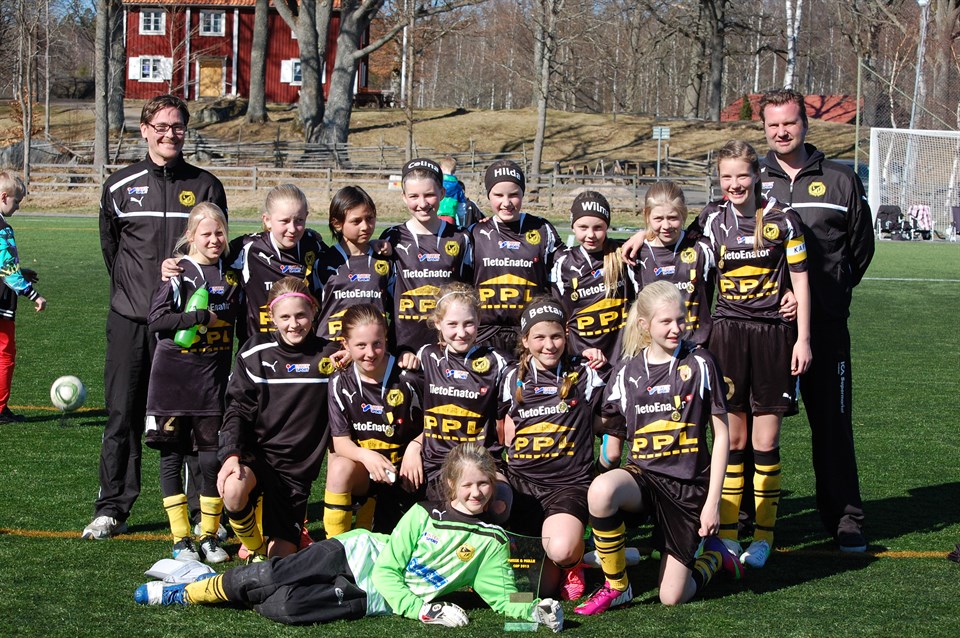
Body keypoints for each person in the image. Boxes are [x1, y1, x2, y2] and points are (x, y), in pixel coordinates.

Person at [133, 442, 565, 633]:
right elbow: (390, 568)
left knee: (287, 606)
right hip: (355, 554)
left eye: (484, 484)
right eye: (468, 485)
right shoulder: (423, 513)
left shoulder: (492, 540)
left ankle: (232, 586)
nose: (477, 493)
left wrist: (537, 611)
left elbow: (502, 597)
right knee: (269, 576)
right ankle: (189, 590)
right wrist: (422, 610)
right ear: (450, 485)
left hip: (372, 598)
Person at [87, 94, 227, 540]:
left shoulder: (206, 185)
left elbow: (217, 249)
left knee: (193, 418)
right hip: (131, 320)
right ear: (145, 130)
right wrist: (138, 295)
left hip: (188, 328)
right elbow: (112, 250)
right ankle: (113, 508)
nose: (170, 134)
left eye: (178, 126)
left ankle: (200, 515)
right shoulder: (119, 185)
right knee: (122, 414)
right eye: (161, 126)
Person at [758, 88, 875, 552]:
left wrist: (828, 294)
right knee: (753, 426)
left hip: (825, 328)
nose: (781, 131)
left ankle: (845, 518)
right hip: (766, 329)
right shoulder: (752, 179)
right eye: (773, 125)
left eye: (789, 122)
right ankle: (745, 517)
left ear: (805, 124)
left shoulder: (841, 179)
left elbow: (860, 249)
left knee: (832, 424)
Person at [576, 282, 737, 615]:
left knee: (672, 596)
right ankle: (617, 586)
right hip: (644, 479)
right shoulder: (626, 372)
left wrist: (712, 504)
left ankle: (714, 557)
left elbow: (722, 437)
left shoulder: (700, 363)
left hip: (687, 488)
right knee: (602, 489)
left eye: (680, 319)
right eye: (666, 322)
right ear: (644, 325)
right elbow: (608, 433)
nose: (676, 328)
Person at [700, 140, 812, 568]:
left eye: (742, 175)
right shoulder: (710, 219)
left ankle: (764, 536)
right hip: (727, 336)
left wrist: (803, 338)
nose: (734, 184)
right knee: (733, 440)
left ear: (757, 176)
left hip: (773, 336)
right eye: (726, 176)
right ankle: (729, 536)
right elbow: (672, 246)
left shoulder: (784, 219)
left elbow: (801, 281)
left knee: (765, 441)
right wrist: (640, 235)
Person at [144, 203, 240, 564]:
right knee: (171, 456)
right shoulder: (179, 272)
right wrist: (199, 317)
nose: (214, 240)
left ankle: (209, 536)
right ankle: (181, 538)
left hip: (211, 383)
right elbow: (156, 320)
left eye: (220, 232)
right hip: (172, 380)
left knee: (211, 459)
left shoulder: (232, 274)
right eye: (206, 233)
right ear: (190, 236)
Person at [217, 277, 334, 560]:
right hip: (258, 457)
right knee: (233, 489)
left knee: (280, 559)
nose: (294, 324)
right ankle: (255, 546)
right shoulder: (254, 352)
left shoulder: (331, 355)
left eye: (301, 315)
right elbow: (237, 410)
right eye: (285, 317)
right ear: (271, 317)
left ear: (313, 310)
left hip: (296, 472)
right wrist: (231, 455)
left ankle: (270, 548)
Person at [500, 298, 606, 601]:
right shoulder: (510, 377)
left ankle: (573, 561)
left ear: (567, 334)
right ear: (525, 340)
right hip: (521, 487)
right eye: (539, 337)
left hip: (567, 486)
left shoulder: (584, 373)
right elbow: (501, 432)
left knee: (561, 550)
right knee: (531, 592)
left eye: (556, 336)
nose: (549, 345)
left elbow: (612, 419)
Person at [324, 304, 425, 538]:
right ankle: (337, 547)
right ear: (345, 344)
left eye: (377, 343)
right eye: (361, 345)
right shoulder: (340, 381)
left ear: (386, 339)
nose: (370, 353)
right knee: (338, 467)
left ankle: (371, 517)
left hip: (408, 473)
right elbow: (340, 442)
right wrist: (366, 456)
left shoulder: (409, 377)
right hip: (367, 472)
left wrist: (415, 447)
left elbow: (436, 421)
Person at [414, 283, 512, 521]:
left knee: (502, 502)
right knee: (451, 515)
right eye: (452, 324)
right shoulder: (426, 356)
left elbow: (532, 374)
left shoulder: (497, 361)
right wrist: (414, 446)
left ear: (479, 320)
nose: (461, 332)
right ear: (438, 323)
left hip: (482, 460)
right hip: (438, 462)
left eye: (468, 323)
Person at [380, 158, 473, 358]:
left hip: (450, 348)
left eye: (429, 195)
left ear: (442, 193)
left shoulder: (461, 237)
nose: (422, 204)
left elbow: (469, 292)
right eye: (414, 196)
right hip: (404, 351)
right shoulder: (391, 238)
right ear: (404, 197)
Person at [471, 160, 563, 355]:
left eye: (513, 195)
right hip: (484, 334)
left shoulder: (542, 229)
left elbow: (569, 265)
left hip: (530, 333)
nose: (506, 203)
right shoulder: (475, 233)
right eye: (498, 195)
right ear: (488, 195)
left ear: (523, 194)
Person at [550, 191, 636, 375]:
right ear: (573, 226)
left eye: (598, 227)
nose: (591, 235)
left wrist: (642, 235)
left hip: (621, 358)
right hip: (582, 358)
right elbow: (558, 315)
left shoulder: (623, 253)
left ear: (607, 226)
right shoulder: (562, 263)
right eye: (583, 227)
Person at [632, 181, 715, 346]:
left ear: (683, 214)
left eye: (672, 218)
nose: (666, 226)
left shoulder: (702, 248)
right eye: (658, 218)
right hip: (652, 348)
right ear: (646, 215)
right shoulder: (635, 253)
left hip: (697, 346)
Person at [312, 186, 391, 342]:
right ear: (337, 223)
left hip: (371, 349)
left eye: (370, 218)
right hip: (330, 349)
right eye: (356, 221)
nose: (365, 226)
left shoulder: (384, 260)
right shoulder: (322, 262)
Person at [0, 171, 46, 424]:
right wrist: (33, 294)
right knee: (5, 354)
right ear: (3, 197)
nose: (17, 207)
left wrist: (20, 271)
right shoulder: (3, 229)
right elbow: (7, 270)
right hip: (1, 302)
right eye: (16, 201)